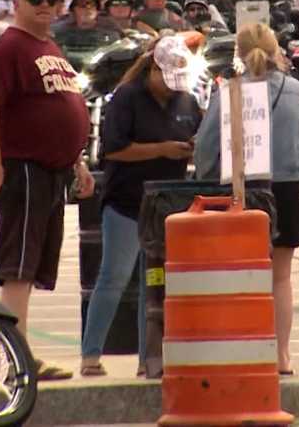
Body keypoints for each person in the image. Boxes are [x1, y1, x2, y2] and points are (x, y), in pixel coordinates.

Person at [0, 0, 94, 381]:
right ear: (16, 3)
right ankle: (14, 359)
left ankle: (20, 353)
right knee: (19, 267)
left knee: (32, 266)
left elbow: (62, 106)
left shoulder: (48, 45)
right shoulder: (10, 47)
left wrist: (76, 160)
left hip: (52, 171)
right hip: (23, 168)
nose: (45, 5)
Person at [80, 36, 200, 377]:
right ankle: (91, 354)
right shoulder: (127, 98)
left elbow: (198, 131)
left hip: (165, 204)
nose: (169, 88)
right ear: (151, 69)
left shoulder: (185, 100)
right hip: (126, 201)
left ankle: (149, 358)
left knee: (156, 282)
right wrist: (162, 149)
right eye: (164, 80)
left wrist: (191, 147)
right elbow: (113, 151)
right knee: (114, 277)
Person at [195, 23, 299, 375]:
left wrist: (204, 180)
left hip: (245, 183)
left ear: (238, 54)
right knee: (281, 276)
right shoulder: (296, 91)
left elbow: (206, 146)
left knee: (241, 274)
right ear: (277, 51)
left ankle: (243, 349)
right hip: (289, 184)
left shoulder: (229, 91)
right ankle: (282, 356)